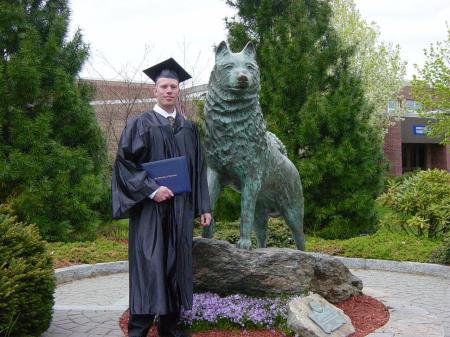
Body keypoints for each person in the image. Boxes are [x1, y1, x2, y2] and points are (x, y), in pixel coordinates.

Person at [111, 58, 212, 337]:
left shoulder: (188, 128)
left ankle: (172, 330)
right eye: (164, 86)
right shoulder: (140, 125)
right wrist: (152, 190)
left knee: (174, 271)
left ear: (179, 91)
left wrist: (204, 205)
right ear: (154, 90)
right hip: (149, 215)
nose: (169, 91)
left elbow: (198, 168)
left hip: (179, 211)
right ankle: (138, 331)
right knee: (150, 270)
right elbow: (124, 165)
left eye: (174, 86)